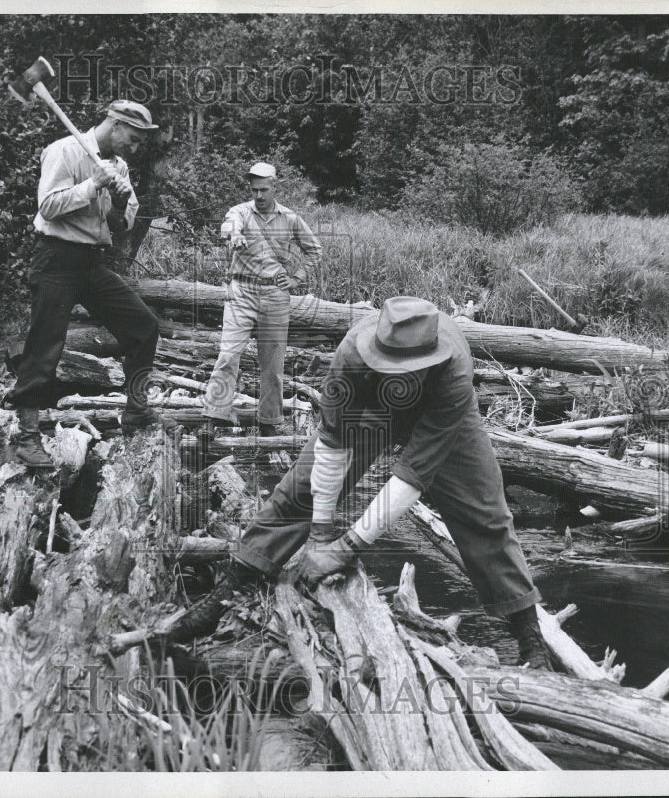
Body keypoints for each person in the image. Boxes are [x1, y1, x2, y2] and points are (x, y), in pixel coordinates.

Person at [171, 296, 552, 670]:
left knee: (484, 513)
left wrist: (346, 547)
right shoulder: (351, 359)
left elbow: (412, 474)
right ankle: (230, 589)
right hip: (371, 407)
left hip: (439, 408)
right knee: (299, 491)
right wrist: (321, 536)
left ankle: (531, 639)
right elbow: (333, 448)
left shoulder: (453, 369)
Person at [9, 100, 167, 468]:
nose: (136, 146)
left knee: (144, 326)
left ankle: (136, 410)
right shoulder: (64, 151)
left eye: (141, 141)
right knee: (45, 344)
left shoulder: (120, 166)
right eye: (133, 138)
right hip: (56, 259)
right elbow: (47, 206)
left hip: (91, 262)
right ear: (114, 125)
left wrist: (123, 200)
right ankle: (27, 436)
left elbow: (118, 224)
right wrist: (92, 183)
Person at [201, 162, 322, 438]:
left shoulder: (290, 218)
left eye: (264, 189)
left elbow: (314, 250)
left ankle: (270, 421)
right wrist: (234, 234)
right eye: (254, 190)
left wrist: (295, 278)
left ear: (274, 186)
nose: (258, 195)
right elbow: (229, 224)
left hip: (275, 296)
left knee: (273, 364)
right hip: (241, 292)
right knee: (229, 354)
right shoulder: (241, 212)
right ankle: (213, 416)